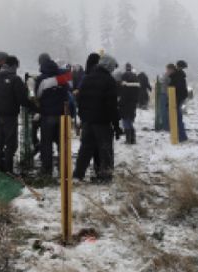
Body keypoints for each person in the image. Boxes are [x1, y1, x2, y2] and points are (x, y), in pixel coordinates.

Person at [74, 54, 122, 183]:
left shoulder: (87, 78)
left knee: (85, 149)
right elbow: (112, 106)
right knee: (105, 150)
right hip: (102, 122)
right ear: (108, 66)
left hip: (88, 121)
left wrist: (83, 117)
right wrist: (116, 126)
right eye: (113, 67)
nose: (113, 69)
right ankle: (105, 176)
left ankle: (78, 175)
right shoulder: (109, 81)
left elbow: (79, 99)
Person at [0, 55, 34, 173]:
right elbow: (22, 99)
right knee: (10, 144)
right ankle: (8, 170)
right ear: (14, 66)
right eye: (17, 67)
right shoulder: (15, 79)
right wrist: (33, 106)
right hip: (10, 116)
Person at [35, 53, 73, 177]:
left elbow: (38, 95)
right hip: (63, 114)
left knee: (46, 144)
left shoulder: (41, 79)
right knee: (62, 143)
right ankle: (64, 169)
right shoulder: (62, 76)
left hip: (48, 115)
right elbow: (69, 91)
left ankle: (46, 171)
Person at [118, 63, 140, 144]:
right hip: (133, 104)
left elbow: (123, 94)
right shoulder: (135, 78)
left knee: (125, 121)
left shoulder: (124, 77)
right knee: (130, 120)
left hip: (125, 104)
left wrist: (119, 103)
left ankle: (128, 139)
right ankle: (133, 138)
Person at [170, 60, 189, 142]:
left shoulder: (177, 76)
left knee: (178, 118)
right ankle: (181, 136)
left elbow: (177, 88)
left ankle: (182, 137)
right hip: (179, 98)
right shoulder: (181, 75)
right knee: (178, 117)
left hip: (176, 98)